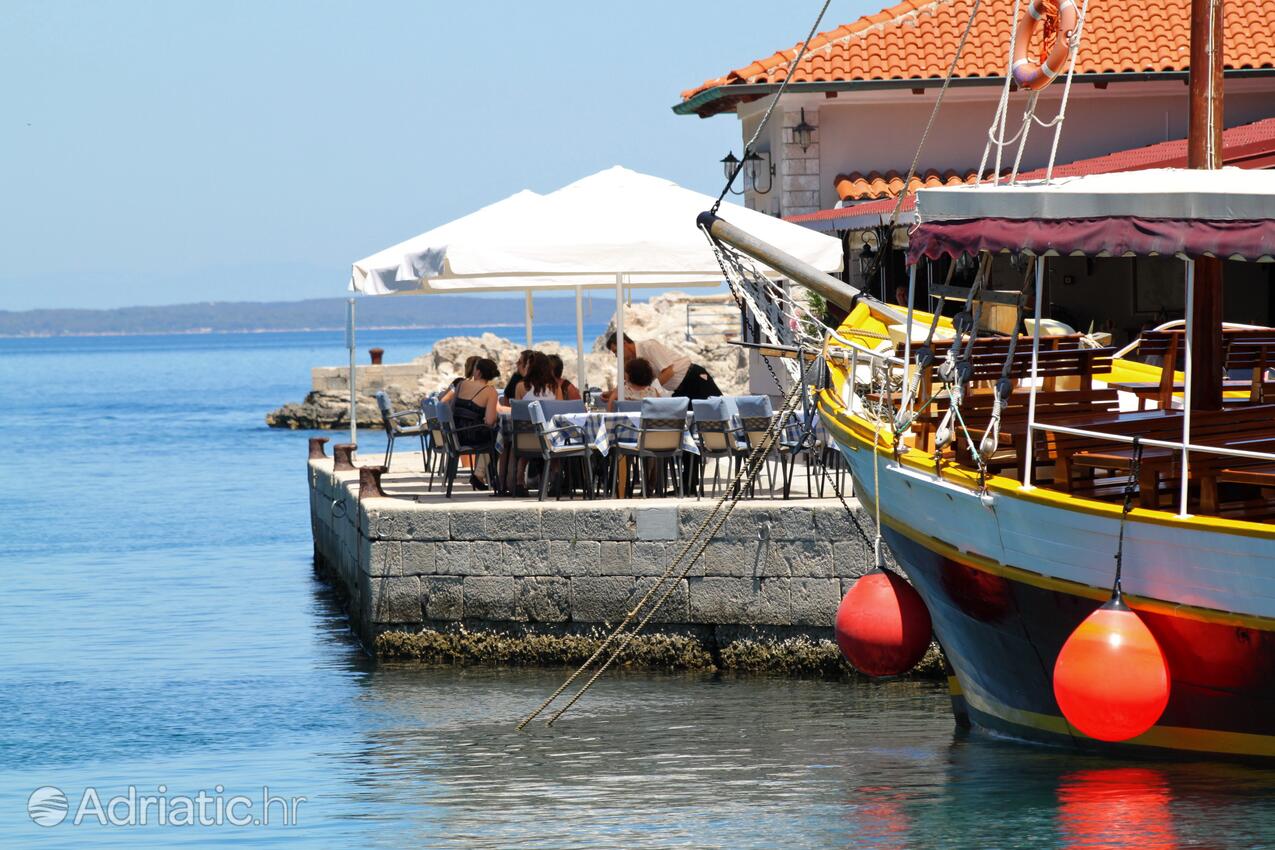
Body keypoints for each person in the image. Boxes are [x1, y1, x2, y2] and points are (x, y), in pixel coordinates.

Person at [604, 332, 722, 401]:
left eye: (616, 351)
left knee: (716, 411)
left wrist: (649, 390)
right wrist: (613, 392)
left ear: (624, 343)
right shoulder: (632, 360)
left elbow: (668, 372)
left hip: (694, 378)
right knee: (686, 422)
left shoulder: (649, 346)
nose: (616, 355)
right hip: (679, 389)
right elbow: (629, 382)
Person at [443, 357, 500, 490]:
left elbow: (451, 409)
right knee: (498, 435)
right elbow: (490, 421)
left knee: (491, 435)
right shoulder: (490, 391)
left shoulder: (461, 384)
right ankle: (486, 476)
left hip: (454, 435)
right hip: (471, 437)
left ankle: (481, 475)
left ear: (478, 372)